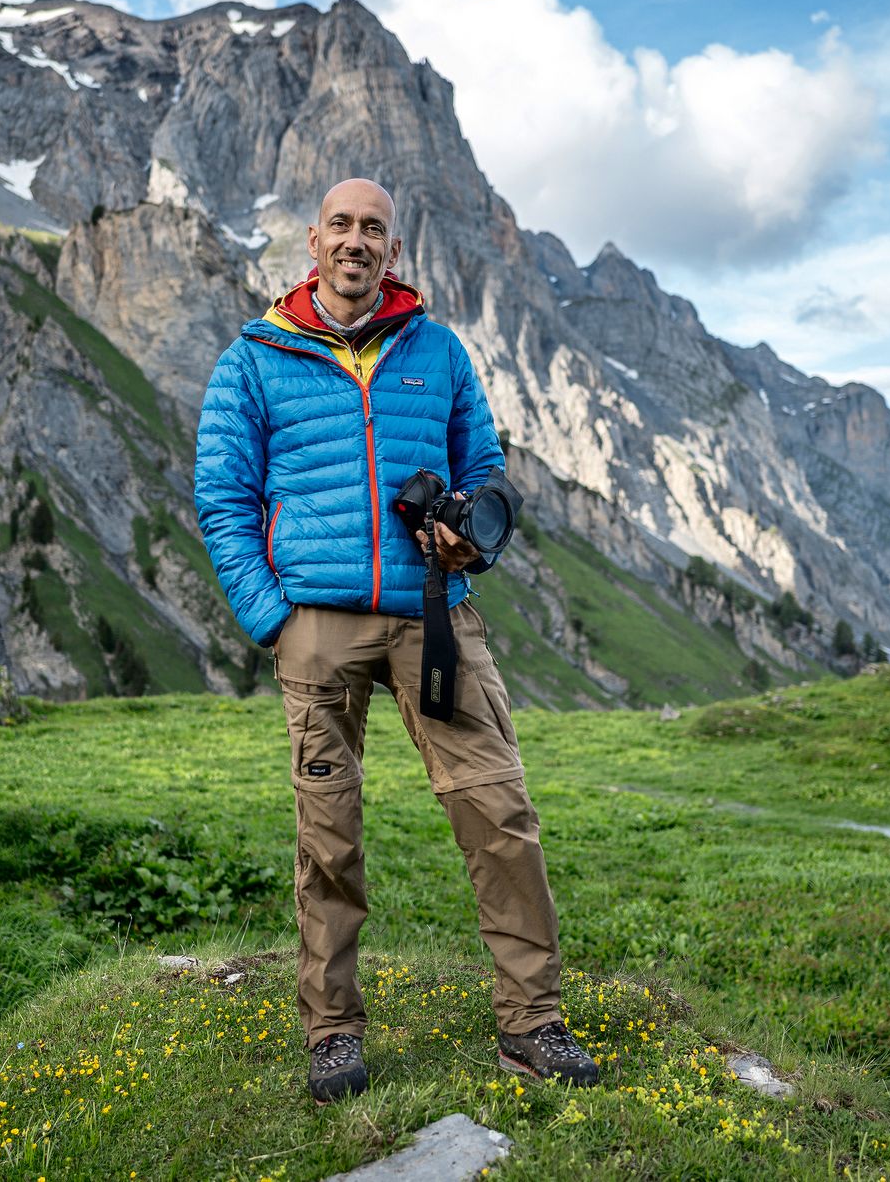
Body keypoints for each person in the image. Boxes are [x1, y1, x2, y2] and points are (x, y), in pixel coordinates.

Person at [194, 178, 599, 1103]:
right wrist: (274, 618)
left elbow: (486, 470)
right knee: (327, 837)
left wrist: (474, 537)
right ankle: (332, 1032)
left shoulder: (439, 351)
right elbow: (221, 496)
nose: (355, 241)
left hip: (435, 613)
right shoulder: (254, 358)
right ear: (313, 241)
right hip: (317, 624)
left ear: (394, 249)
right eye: (340, 225)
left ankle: (532, 1022)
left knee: (498, 812)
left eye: (372, 228)